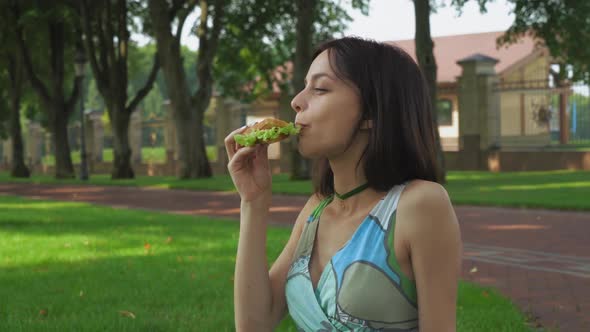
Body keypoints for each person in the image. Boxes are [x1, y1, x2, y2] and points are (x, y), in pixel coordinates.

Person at [226, 36, 462, 332]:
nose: (296, 101)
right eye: (304, 86)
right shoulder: (316, 210)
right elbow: (254, 325)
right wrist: (253, 203)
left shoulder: (420, 204)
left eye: (320, 88)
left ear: (371, 113)